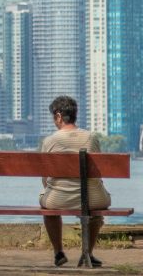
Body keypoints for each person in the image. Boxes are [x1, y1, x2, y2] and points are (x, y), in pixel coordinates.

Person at [39, 96, 110, 268]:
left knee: (47, 206)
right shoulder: (92, 138)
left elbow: (44, 179)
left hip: (58, 199)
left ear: (58, 116)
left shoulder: (50, 141)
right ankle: (88, 252)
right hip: (93, 198)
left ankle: (58, 252)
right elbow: (98, 174)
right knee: (96, 207)